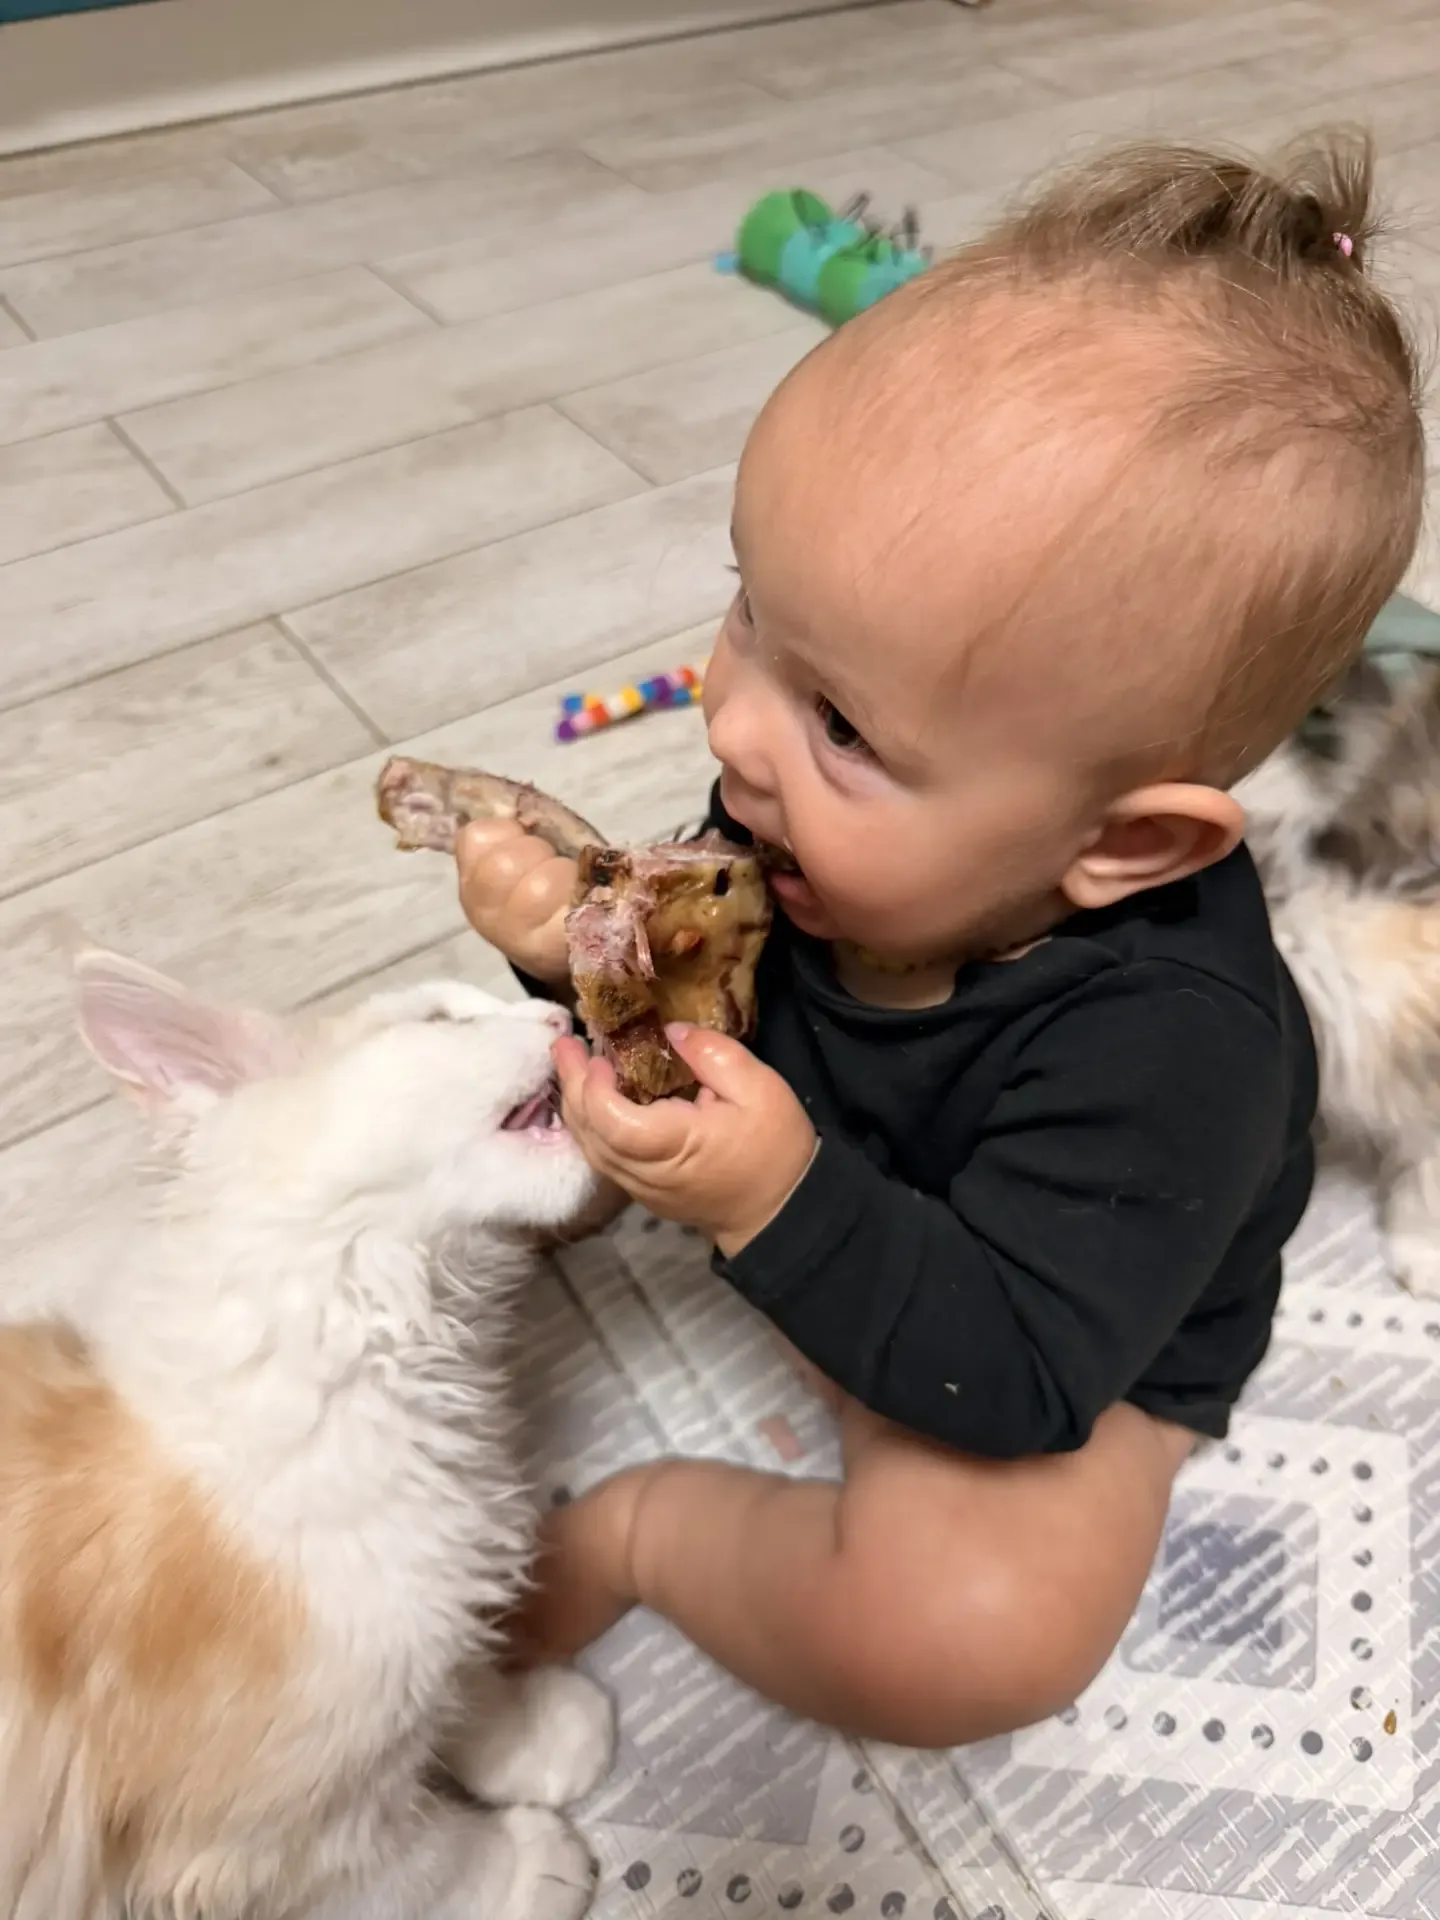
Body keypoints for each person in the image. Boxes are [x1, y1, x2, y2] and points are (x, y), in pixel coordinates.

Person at [456, 134, 1424, 1748]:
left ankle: (639, 1534)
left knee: (972, 1638)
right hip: (848, 1202)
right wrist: (577, 948)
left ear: (1123, 846)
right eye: (751, 607)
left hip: (1045, 1332)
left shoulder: (1179, 1055)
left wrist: (766, 1199)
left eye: (840, 722)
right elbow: (705, 970)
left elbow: (1021, 1374)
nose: (735, 729)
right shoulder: (802, 816)